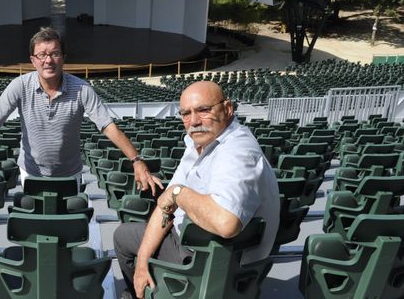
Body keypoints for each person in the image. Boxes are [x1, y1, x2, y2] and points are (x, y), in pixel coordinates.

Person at [0, 27, 162, 195]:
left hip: (70, 174)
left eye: (54, 53)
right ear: (33, 60)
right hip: (30, 173)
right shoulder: (19, 86)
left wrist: (137, 161)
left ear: (64, 57)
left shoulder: (82, 89)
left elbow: (108, 127)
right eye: (42, 55)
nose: (48, 60)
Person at [113, 81, 280, 299]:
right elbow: (166, 203)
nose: (193, 121)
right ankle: (140, 285)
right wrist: (142, 263)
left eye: (203, 110)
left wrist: (178, 194)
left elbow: (226, 223)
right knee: (133, 237)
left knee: (122, 236)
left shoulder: (237, 151)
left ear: (227, 109)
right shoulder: (199, 143)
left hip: (210, 259)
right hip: (207, 249)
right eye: (186, 113)